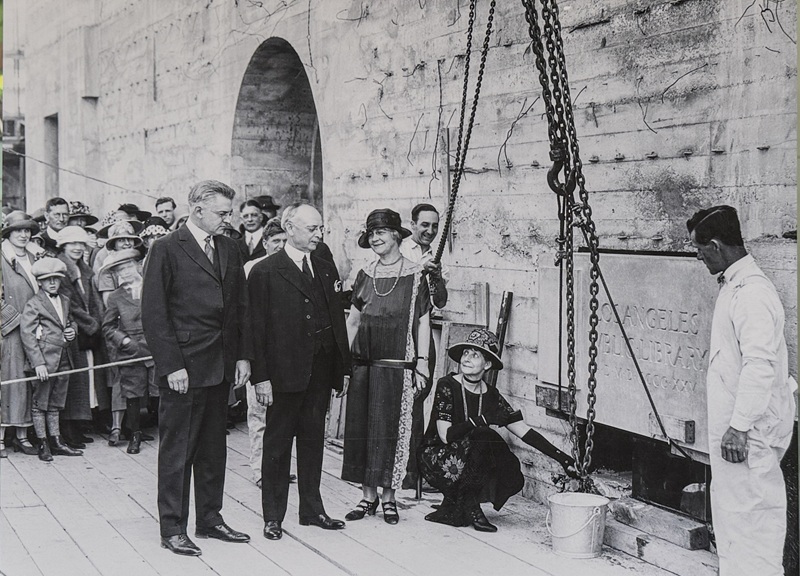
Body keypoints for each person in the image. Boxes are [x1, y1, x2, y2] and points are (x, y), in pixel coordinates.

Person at [142, 179, 252, 556]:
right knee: (177, 451)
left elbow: (240, 309)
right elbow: (154, 314)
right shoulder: (166, 249)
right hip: (184, 371)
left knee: (213, 449)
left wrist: (242, 355)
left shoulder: (230, 247)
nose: (227, 219)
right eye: (222, 213)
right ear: (197, 208)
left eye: (229, 212)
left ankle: (210, 519)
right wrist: (172, 365)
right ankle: (172, 528)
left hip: (220, 366)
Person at [687, 206, 796, 576]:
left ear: (716, 246)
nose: (699, 257)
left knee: (755, 525)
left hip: (748, 434)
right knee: (735, 521)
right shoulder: (735, 285)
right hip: (738, 432)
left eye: (700, 250)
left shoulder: (752, 293)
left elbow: (760, 364)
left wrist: (740, 425)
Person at [248, 202, 351, 541]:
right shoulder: (265, 271)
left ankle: (312, 510)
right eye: (312, 229)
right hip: (282, 376)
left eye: (321, 229)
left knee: (312, 443)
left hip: (319, 372)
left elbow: (337, 322)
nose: (319, 235)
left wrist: (342, 369)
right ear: (290, 228)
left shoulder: (324, 268)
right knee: (277, 446)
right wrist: (260, 377)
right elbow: (256, 329)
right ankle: (273, 516)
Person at [421, 328, 578, 532]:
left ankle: (456, 503)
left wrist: (563, 458)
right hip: (436, 456)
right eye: (465, 353)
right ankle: (470, 506)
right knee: (484, 434)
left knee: (490, 441)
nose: (467, 358)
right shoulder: (447, 385)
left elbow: (524, 431)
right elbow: (446, 435)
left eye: (475, 354)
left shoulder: (492, 395)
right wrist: (483, 419)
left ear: (487, 364)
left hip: (466, 459)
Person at [341, 208, 431, 525]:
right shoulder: (364, 274)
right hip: (363, 364)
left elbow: (422, 321)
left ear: (396, 235)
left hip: (397, 367)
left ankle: (389, 498)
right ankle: (368, 498)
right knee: (363, 430)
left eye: (381, 232)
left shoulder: (415, 275)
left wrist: (422, 362)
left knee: (390, 432)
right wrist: (342, 364)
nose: (375, 238)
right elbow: (352, 320)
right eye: (371, 234)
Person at [19, 258, 83, 461]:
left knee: (56, 401)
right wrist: (38, 363)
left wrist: (73, 330)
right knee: (40, 402)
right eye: (48, 280)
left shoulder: (64, 299)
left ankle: (56, 440)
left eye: (56, 279)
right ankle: (43, 443)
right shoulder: (34, 303)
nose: (53, 283)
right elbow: (27, 335)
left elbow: (70, 321)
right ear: (40, 282)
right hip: (44, 361)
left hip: (63, 357)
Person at [242, 217, 288, 487]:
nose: (280, 246)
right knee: (258, 413)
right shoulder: (252, 268)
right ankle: (260, 470)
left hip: (284, 354)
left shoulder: (292, 267)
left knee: (282, 416)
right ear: (265, 243)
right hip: (260, 350)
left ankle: (278, 466)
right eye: (275, 241)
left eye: (285, 241)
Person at [56, 226, 107, 450]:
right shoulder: (61, 268)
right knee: (72, 380)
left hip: (85, 331)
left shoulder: (83, 268)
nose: (77, 247)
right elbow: (69, 303)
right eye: (72, 243)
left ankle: (77, 426)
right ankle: (68, 430)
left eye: (81, 244)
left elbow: (93, 299)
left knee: (85, 378)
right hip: (71, 329)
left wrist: (97, 320)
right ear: (63, 246)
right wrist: (91, 323)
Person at [101, 249, 155, 455]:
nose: (124, 273)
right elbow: (107, 327)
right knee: (132, 393)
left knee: (161, 389)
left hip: (154, 347)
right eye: (119, 270)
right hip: (130, 350)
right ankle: (135, 434)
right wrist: (123, 340)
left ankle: (169, 431)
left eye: (127, 267)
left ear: (138, 266)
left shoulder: (153, 287)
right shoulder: (115, 296)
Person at [1, 212, 42, 457]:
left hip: (33, 326)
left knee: (28, 380)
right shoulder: (2, 257)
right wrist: (15, 322)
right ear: (8, 233)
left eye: (27, 230)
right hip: (10, 329)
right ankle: (4, 436)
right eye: (18, 230)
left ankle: (23, 435)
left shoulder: (34, 256)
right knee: (10, 380)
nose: (24, 234)